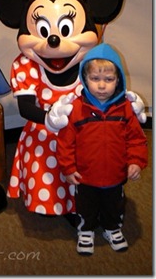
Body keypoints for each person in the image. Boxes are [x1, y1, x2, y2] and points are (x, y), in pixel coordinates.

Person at [56, 43, 148, 256]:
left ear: (118, 81)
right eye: (95, 79)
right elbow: (65, 143)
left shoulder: (125, 109)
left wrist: (135, 161)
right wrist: (68, 168)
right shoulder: (76, 110)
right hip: (85, 176)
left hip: (115, 175)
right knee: (86, 206)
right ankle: (85, 230)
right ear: (85, 78)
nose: (101, 86)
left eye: (109, 79)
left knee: (114, 205)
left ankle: (112, 228)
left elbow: (136, 139)